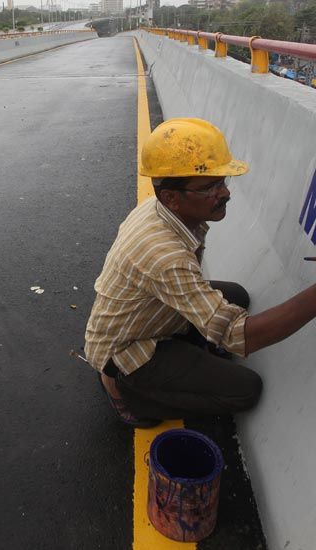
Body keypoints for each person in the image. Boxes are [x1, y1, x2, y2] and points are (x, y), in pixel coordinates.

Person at [85, 118, 316, 427]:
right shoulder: (164, 254)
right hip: (128, 350)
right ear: (172, 197)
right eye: (210, 187)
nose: (224, 194)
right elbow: (236, 337)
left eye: (222, 182)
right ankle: (124, 391)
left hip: (148, 314)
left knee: (237, 296)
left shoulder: (162, 209)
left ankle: (174, 355)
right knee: (246, 390)